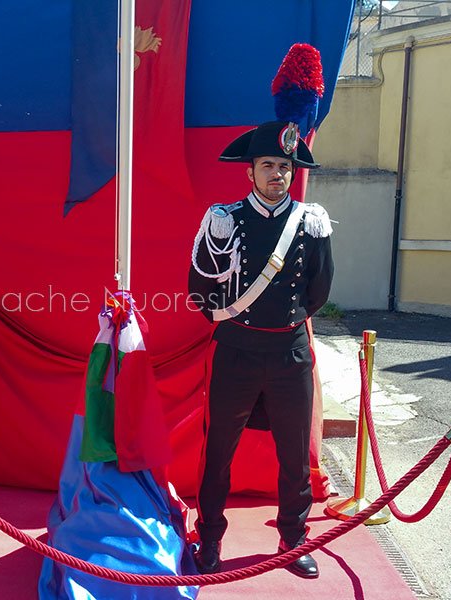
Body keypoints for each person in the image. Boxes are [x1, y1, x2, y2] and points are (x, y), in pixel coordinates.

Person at [187, 120, 333, 579]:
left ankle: (293, 540)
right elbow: (200, 289)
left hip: (290, 353)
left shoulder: (310, 222)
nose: (277, 174)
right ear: (250, 171)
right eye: (268, 165)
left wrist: (283, 323)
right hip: (237, 352)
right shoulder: (225, 220)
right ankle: (210, 537)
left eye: (284, 167)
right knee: (218, 452)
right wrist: (240, 324)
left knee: (295, 455)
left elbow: (318, 291)